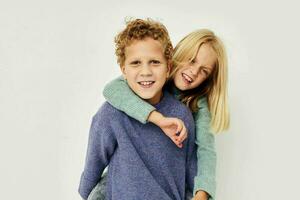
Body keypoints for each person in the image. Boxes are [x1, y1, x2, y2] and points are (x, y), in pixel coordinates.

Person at [94, 28, 230, 200]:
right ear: (175, 57)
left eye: (204, 71)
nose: (194, 72)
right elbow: (112, 89)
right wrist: (158, 119)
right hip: (125, 177)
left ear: (209, 79)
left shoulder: (198, 106)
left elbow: (206, 152)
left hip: (171, 177)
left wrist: (201, 195)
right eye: (191, 61)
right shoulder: (151, 77)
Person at [78, 18, 197, 200]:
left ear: (168, 68)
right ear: (123, 69)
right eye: (136, 63)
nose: (146, 71)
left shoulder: (182, 116)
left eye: (155, 62)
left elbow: (191, 173)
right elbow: (93, 165)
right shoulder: (111, 113)